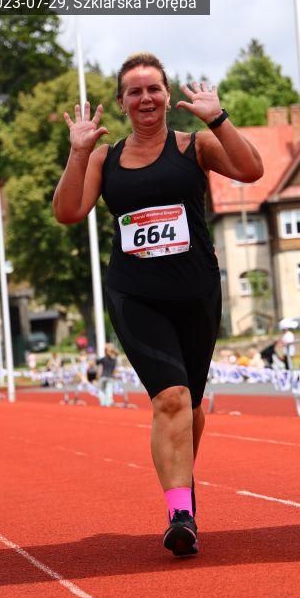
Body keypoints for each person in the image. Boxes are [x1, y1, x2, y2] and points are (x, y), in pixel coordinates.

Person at [52, 51, 264, 556]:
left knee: (191, 403)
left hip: (196, 293)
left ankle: (181, 484)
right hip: (136, 295)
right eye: (135, 91)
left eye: (153, 89)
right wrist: (78, 152)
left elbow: (251, 170)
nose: (145, 98)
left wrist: (218, 117)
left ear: (167, 97)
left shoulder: (195, 145)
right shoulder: (105, 159)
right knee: (170, 398)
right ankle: (180, 513)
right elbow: (68, 211)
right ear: (122, 102)